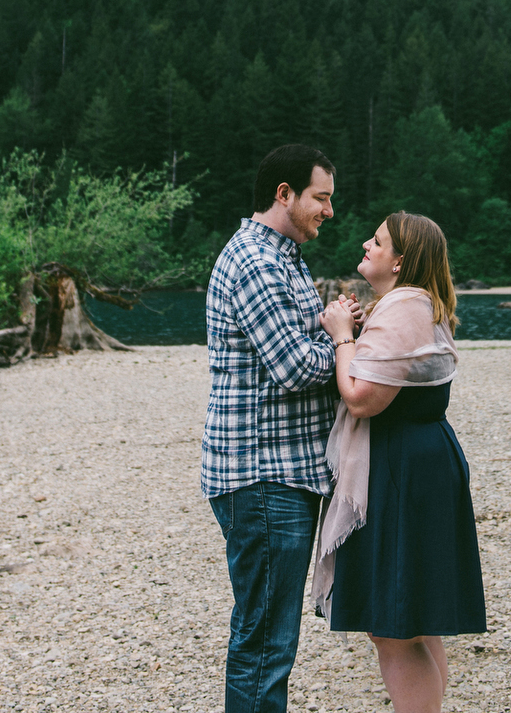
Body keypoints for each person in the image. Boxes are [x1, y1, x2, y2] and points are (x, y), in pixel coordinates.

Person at [201, 143, 360, 713]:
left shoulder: (283, 257)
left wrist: (335, 327)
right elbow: (292, 367)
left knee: (269, 634)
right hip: (264, 476)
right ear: (284, 194)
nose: (330, 211)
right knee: (265, 640)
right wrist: (343, 342)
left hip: (278, 473)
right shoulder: (257, 261)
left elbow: (294, 343)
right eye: (321, 197)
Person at [315, 213, 486, 713]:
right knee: (416, 620)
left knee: (394, 628)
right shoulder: (414, 304)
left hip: (400, 470)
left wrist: (343, 336)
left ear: (400, 261)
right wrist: (357, 329)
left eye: (378, 240)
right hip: (419, 462)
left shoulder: (403, 307)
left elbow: (361, 399)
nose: (366, 244)